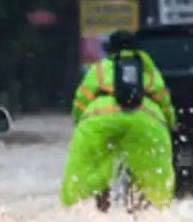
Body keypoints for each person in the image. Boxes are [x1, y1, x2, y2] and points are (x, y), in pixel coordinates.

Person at [60, 31, 178, 210]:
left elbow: (81, 100)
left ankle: (100, 214)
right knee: (149, 178)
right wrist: (172, 123)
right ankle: (140, 217)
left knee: (93, 170)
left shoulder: (100, 68)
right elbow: (165, 104)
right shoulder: (150, 72)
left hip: (100, 121)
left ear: (110, 50)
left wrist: (79, 122)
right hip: (146, 121)